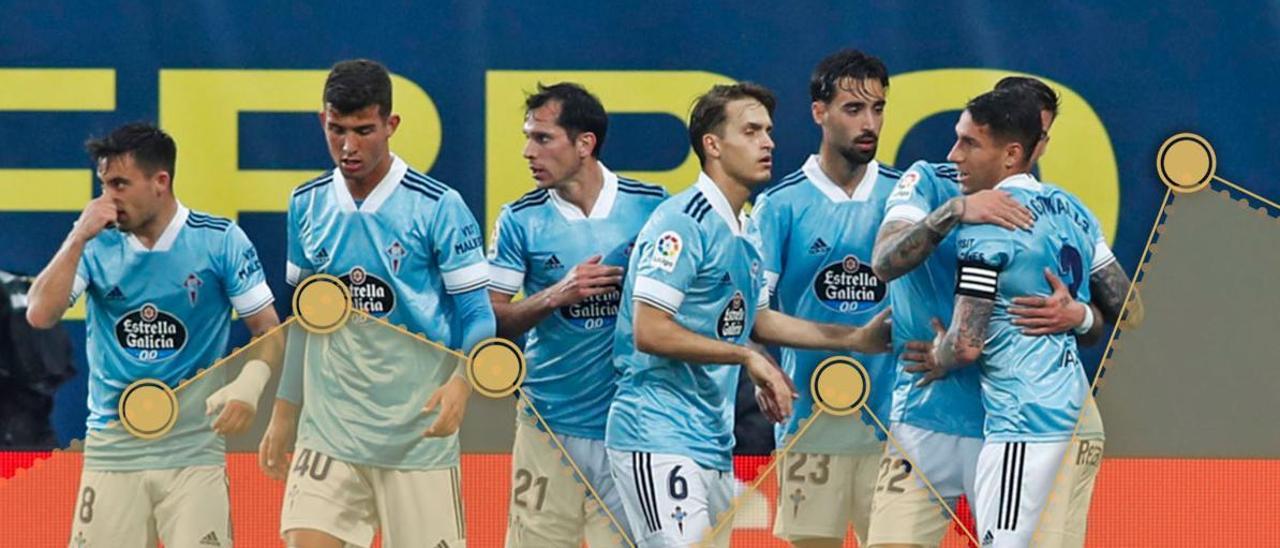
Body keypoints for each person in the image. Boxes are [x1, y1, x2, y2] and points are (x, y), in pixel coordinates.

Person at [605, 82, 892, 548]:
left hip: (712, 442)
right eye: (752, 131)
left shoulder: (742, 229)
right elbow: (650, 330)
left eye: (769, 131)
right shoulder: (683, 221)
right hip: (655, 432)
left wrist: (854, 338)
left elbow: (759, 322)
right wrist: (750, 360)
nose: (769, 142)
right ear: (713, 145)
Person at [258, 59, 495, 548]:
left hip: (416, 438)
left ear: (391, 125)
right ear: (321, 121)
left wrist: (461, 383)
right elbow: (306, 320)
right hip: (329, 434)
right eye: (336, 130)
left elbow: (477, 314)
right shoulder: (306, 204)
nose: (348, 146)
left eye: (363, 130)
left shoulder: (438, 207)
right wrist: (284, 413)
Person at [26, 122, 281, 547]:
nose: (108, 199)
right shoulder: (95, 245)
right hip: (112, 450)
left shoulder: (220, 242)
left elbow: (269, 330)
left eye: (120, 184)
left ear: (160, 182)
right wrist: (77, 236)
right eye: (104, 185)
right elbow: (40, 314)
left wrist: (249, 386)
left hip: (192, 453)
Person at [923, 89, 1137, 547]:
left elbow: (966, 343)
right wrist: (1079, 316)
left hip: (1027, 425)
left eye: (968, 143)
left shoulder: (986, 226)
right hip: (1081, 423)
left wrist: (937, 355)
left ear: (1011, 154)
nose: (952, 154)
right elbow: (1129, 305)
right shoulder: (1073, 209)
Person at [488, 82, 666, 547]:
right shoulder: (518, 220)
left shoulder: (653, 208)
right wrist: (555, 295)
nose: (528, 151)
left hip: (629, 424)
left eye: (543, 138)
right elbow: (492, 319)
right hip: (547, 424)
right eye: (527, 137)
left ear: (585, 143)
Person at [751, 49, 899, 548]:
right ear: (819, 112)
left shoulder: (908, 198)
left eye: (877, 108)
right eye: (854, 109)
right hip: (811, 428)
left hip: (897, 427)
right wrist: (849, 338)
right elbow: (755, 315)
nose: (870, 122)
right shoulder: (779, 205)